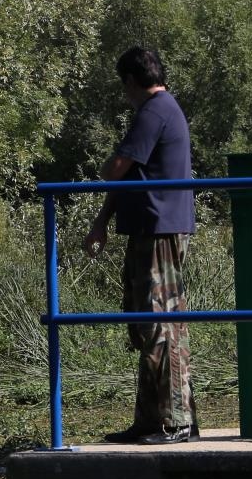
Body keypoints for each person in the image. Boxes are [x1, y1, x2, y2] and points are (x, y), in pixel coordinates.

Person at [82, 45, 196, 445]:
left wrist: (110, 167)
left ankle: (176, 422)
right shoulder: (154, 112)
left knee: (159, 324)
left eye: (123, 84)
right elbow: (126, 179)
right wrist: (100, 224)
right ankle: (152, 419)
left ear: (131, 80)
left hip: (160, 230)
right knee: (145, 324)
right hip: (147, 229)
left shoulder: (155, 111)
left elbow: (114, 169)